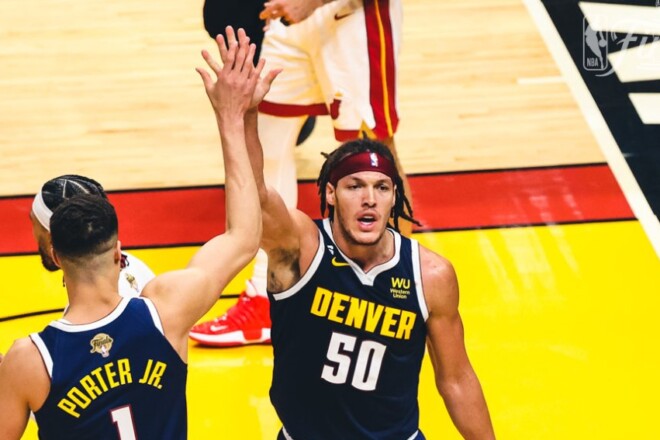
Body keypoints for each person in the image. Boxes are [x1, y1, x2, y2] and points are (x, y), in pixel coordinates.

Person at [212, 27, 494, 439]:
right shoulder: (302, 248)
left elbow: (456, 379)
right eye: (354, 186)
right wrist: (245, 115)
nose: (369, 199)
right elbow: (255, 196)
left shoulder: (430, 276)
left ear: (394, 198)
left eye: (381, 188)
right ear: (330, 194)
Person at [0, 29, 272, 439]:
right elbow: (246, 236)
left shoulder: (29, 361)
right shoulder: (167, 311)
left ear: (55, 255)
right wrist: (233, 117)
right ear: (118, 252)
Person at [190, 0, 412, 348]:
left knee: (371, 158)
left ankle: (393, 296)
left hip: (351, 15)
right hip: (285, 22)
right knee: (264, 143)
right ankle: (267, 296)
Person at [30, 174, 155, 298]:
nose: (33, 234)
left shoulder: (88, 304)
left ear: (52, 241)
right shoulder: (136, 267)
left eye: (34, 223)